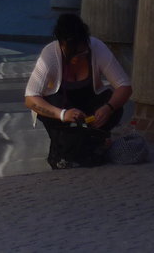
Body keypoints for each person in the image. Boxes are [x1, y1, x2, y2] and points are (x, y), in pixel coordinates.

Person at [24, 13, 132, 169]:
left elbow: (125, 86)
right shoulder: (50, 55)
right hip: (61, 110)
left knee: (114, 105)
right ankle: (70, 147)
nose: (78, 57)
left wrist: (108, 108)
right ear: (62, 45)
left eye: (83, 52)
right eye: (73, 53)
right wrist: (63, 114)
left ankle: (92, 143)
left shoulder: (96, 48)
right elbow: (30, 98)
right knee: (67, 144)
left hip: (89, 108)